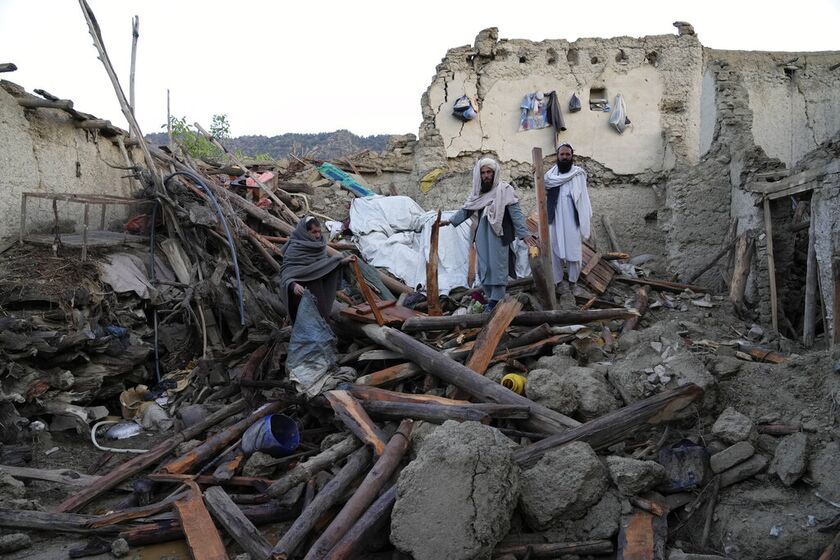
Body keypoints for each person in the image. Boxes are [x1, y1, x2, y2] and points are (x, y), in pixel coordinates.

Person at [442, 157, 537, 311]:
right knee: (484, 267)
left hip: (499, 233)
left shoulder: (505, 190)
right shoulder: (478, 193)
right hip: (482, 233)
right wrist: (449, 221)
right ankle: (491, 298)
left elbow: (516, 213)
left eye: (489, 172)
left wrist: (524, 234)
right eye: (483, 173)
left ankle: (496, 301)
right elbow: (467, 210)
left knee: (498, 266)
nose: (486, 176)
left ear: (495, 173)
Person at [276, 216, 354, 322]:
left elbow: (323, 267)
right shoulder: (294, 248)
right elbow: (286, 273)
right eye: (314, 232)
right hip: (302, 294)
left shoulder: (319, 246)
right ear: (305, 232)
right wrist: (293, 285)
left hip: (318, 291)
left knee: (322, 319)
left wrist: (341, 262)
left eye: (319, 231)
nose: (318, 235)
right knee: (307, 323)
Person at [544, 143, 592, 295]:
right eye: (562, 154)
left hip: (572, 219)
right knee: (554, 250)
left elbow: (583, 198)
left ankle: (573, 282)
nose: (565, 157)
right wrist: (535, 172)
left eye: (567, 154)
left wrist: (584, 217)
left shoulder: (578, 174)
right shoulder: (549, 176)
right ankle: (558, 283)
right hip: (555, 219)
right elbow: (541, 184)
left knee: (574, 251)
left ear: (572, 156)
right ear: (557, 156)